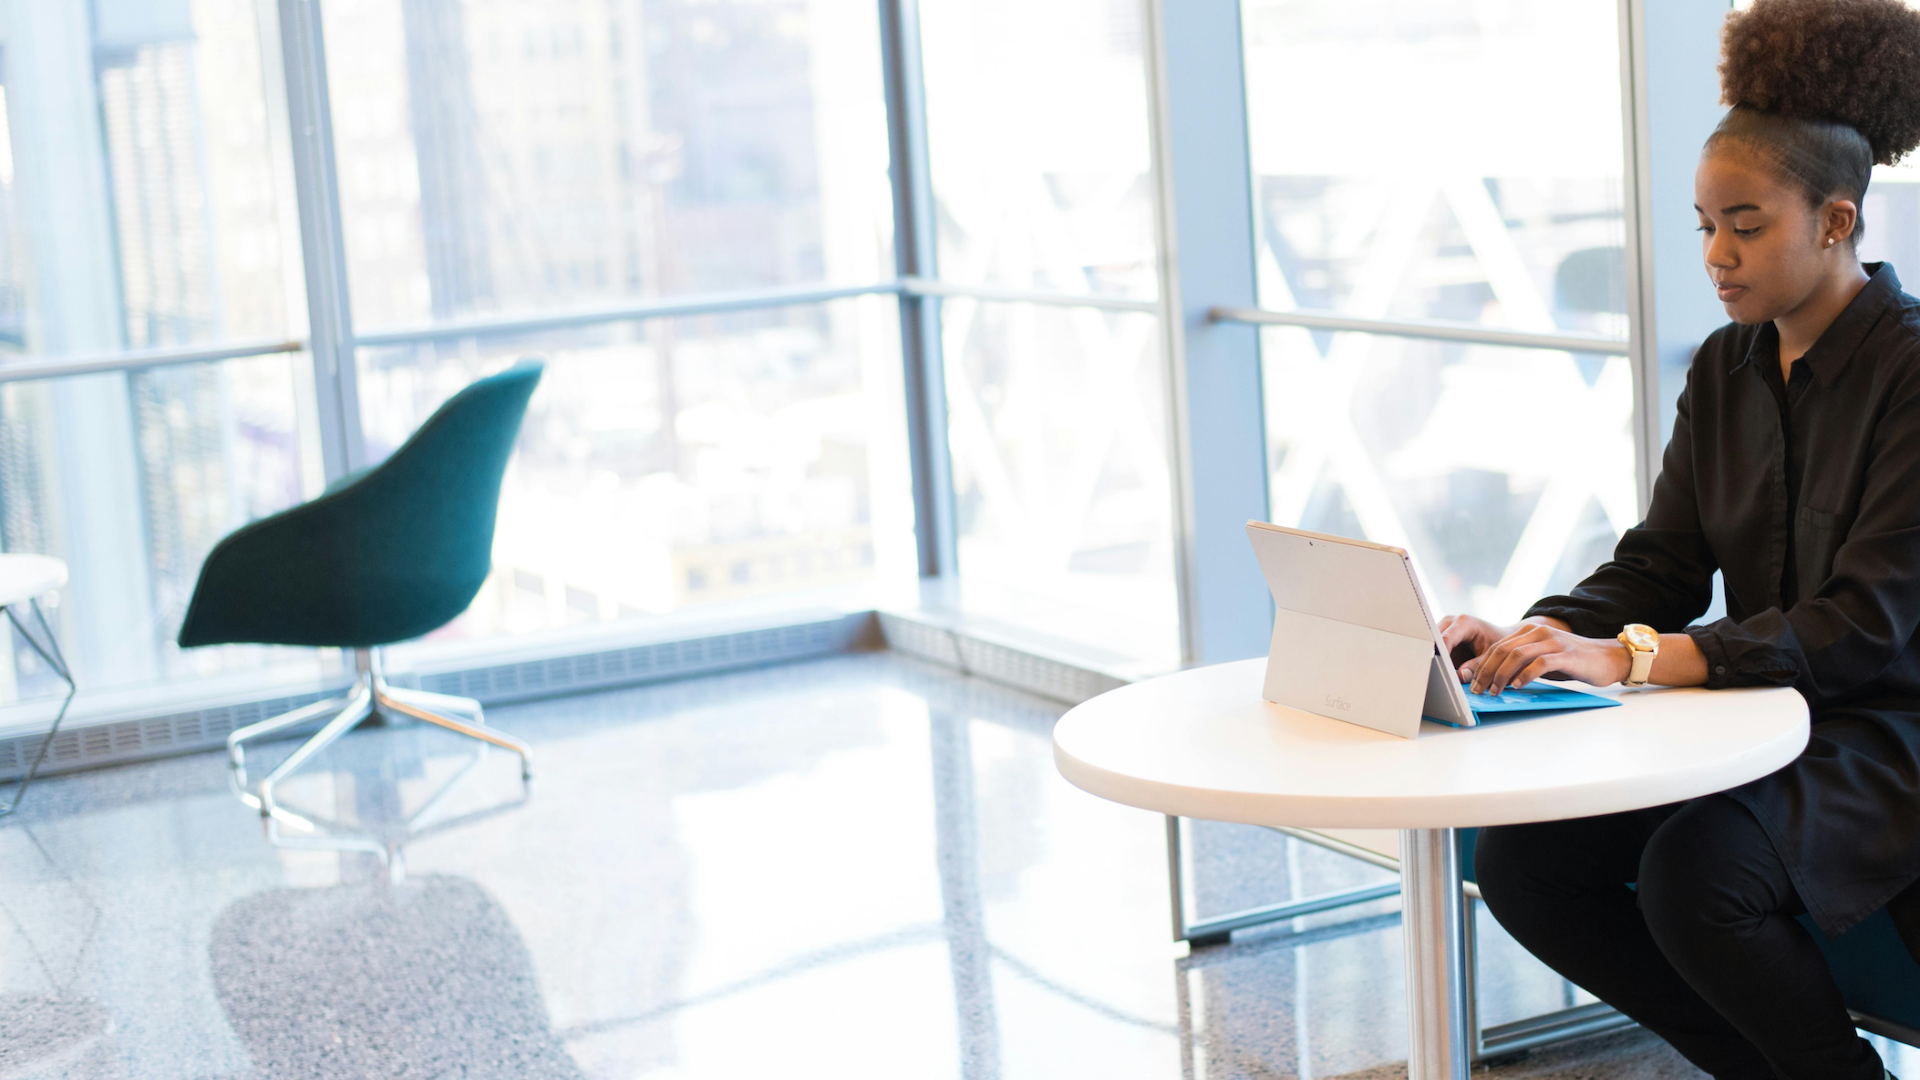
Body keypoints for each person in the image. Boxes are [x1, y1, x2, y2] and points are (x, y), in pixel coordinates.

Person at [1435, 1, 1920, 1077]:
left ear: (1836, 223)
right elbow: (1662, 561)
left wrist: (1635, 659)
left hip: (1891, 735)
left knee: (1694, 874)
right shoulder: (1723, 368)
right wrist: (1535, 634)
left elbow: (1865, 624)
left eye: (1746, 225)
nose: (1717, 253)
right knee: (1528, 866)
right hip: (1757, 716)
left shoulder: (1912, 373)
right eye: (1704, 224)